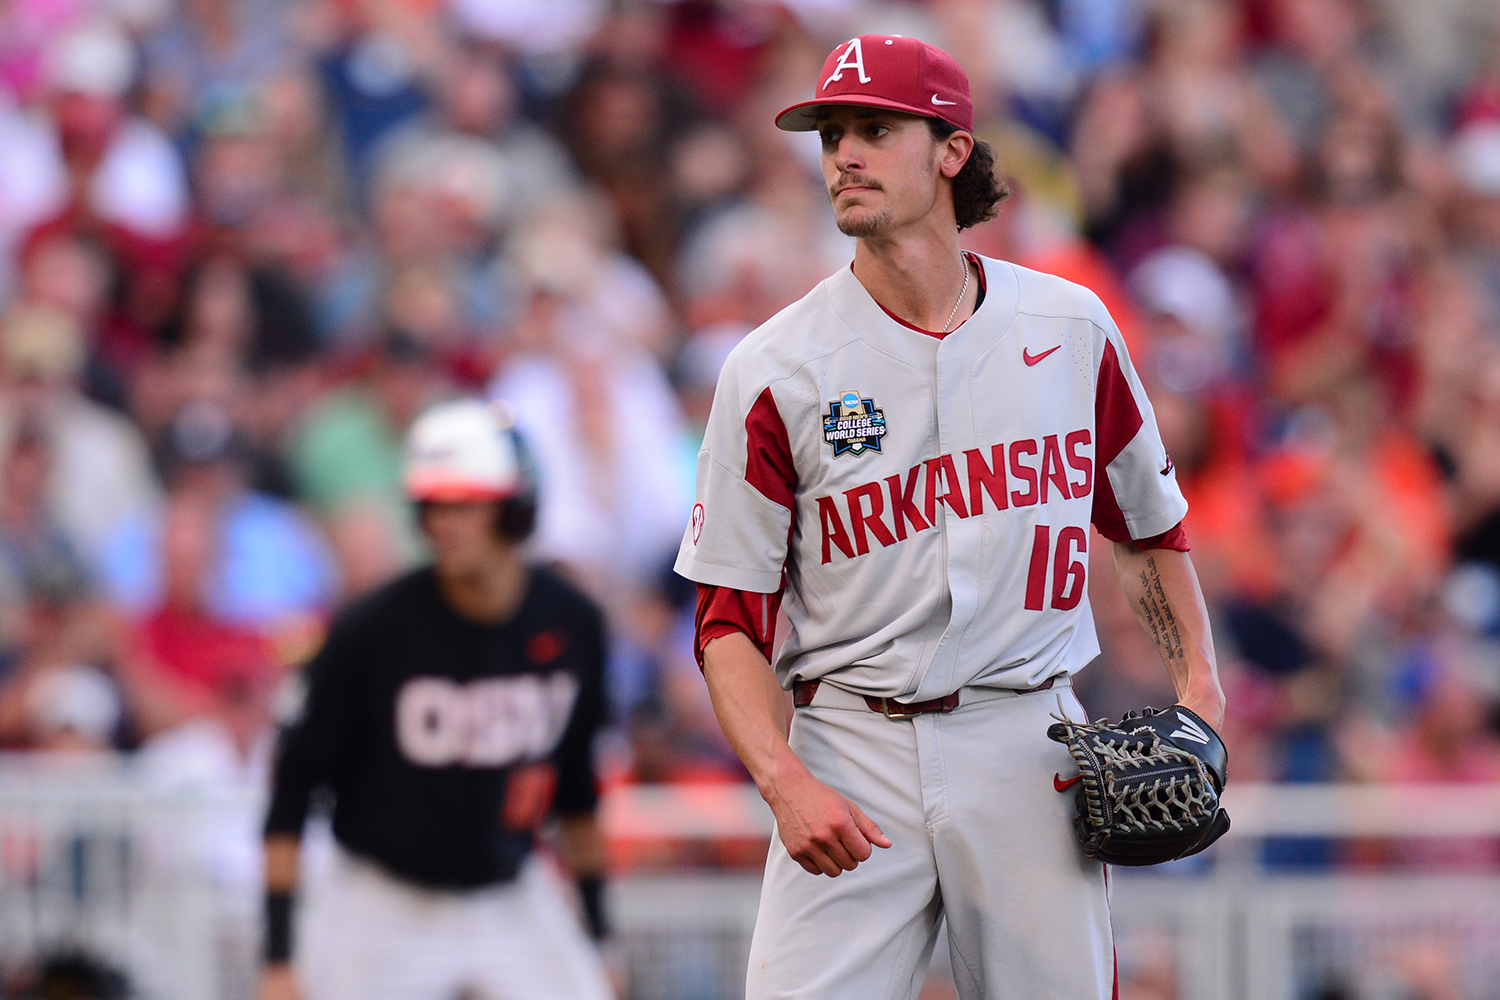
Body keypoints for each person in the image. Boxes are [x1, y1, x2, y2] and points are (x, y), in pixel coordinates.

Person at [673, 34, 1227, 1000]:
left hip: (1028, 743)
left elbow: (1145, 530)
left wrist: (1201, 693)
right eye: (832, 133)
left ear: (952, 151)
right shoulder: (773, 368)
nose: (843, 153)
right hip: (850, 742)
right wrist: (783, 780)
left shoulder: (1069, 328)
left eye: (875, 129)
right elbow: (728, 618)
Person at [258, 398, 614, 1000]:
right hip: (385, 901)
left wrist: (601, 937)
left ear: (513, 507)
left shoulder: (572, 622)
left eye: (465, 501)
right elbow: (293, 790)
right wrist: (278, 956)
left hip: (511, 891)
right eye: (432, 504)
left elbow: (576, 788)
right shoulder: (372, 630)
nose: (444, 522)